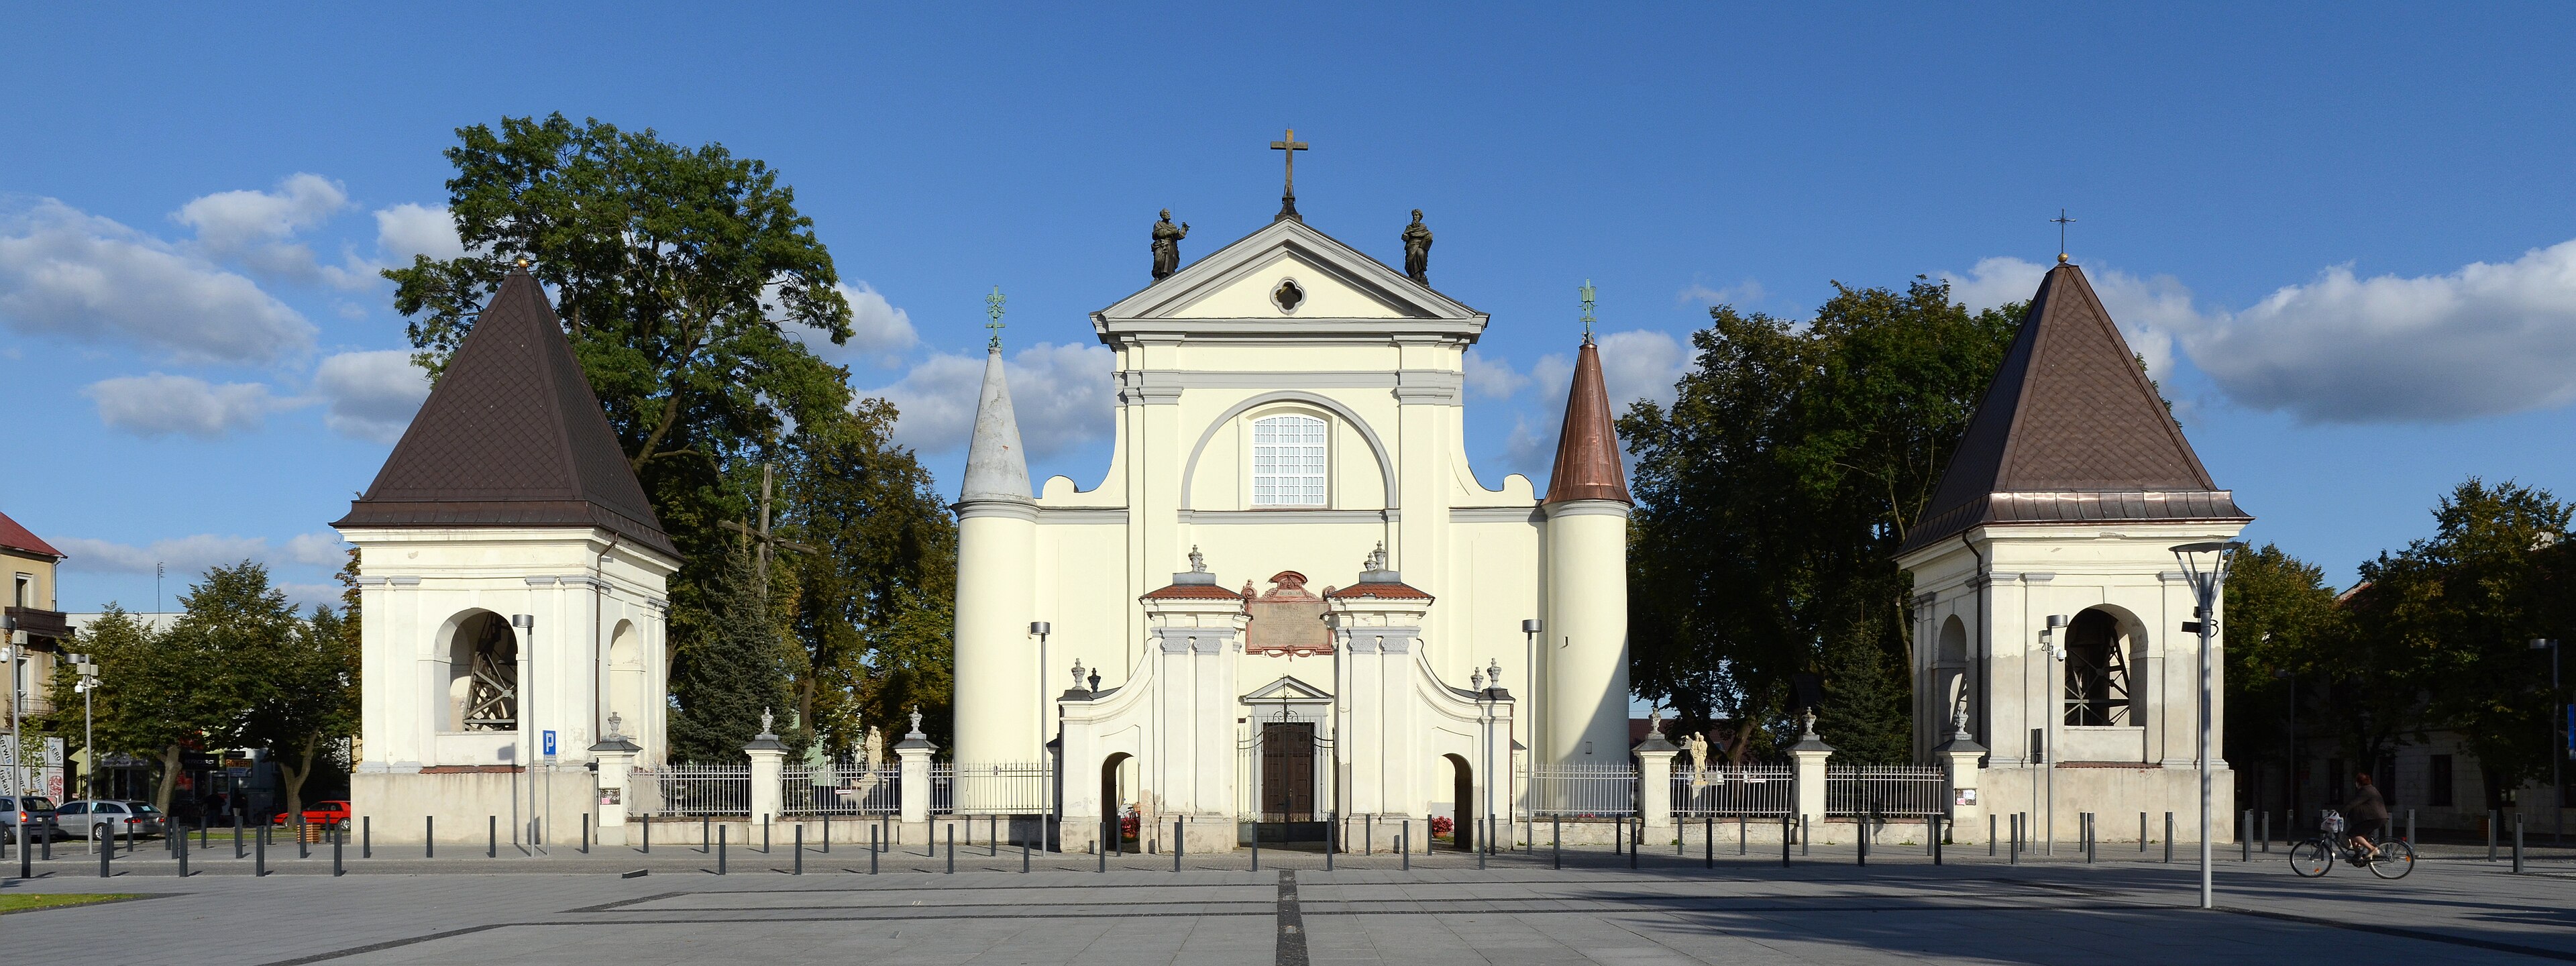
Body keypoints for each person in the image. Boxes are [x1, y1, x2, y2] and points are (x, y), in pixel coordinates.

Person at [2343, 772, 2390, 860]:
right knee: (2357, 835)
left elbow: (2353, 803)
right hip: (2380, 818)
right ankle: (2358, 856)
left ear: (2358, 782)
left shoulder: (2365, 791)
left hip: (2374, 819)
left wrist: (2339, 812)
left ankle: (2372, 849)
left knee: (2352, 834)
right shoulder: (2372, 789)